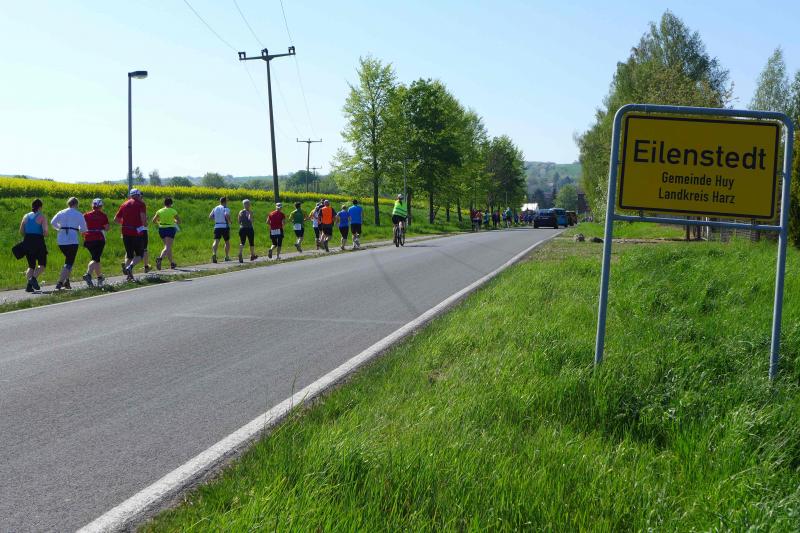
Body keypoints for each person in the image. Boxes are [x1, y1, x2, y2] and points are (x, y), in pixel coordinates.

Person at [50, 197, 87, 290]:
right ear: (76, 204)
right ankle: (60, 282)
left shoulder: (61, 212)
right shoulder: (78, 214)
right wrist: (78, 229)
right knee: (69, 262)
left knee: (68, 261)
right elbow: (83, 229)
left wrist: (59, 228)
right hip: (72, 240)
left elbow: (52, 222)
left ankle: (67, 281)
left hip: (61, 240)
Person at [115, 188, 147, 282]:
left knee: (129, 255)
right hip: (137, 232)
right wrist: (145, 224)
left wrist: (125, 223)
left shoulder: (124, 204)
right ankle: (130, 267)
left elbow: (116, 219)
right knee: (140, 254)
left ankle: (129, 275)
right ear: (138, 195)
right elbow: (143, 220)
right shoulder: (141, 204)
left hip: (125, 232)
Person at [19, 198, 48, 292]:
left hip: (27, 241)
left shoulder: (26, 216)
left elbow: (21, 231)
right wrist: (44, 234)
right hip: (38, 242)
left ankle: (29, 286)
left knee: (31, 266)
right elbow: (45, 232)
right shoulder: (42, 217)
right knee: (42, 265)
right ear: (40, 207)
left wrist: (28, 237)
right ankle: (33, 279)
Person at [82, 198, 109, 287]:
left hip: (88, 238)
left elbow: (81, 227)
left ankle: (99, 277)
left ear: (92, 206)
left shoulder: (86, 215)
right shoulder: (103, 215)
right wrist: (100, 227)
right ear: (101, 206)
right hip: (99, 239)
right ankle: (88, 274)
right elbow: (107, 228)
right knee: (95, 259)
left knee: (96, 259)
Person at [153, 197, 180, 270]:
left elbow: (154, 221)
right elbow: (179, 221)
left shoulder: (159, 211)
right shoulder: (173, 211)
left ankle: (172, 263)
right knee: (167, 247)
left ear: (164, 203)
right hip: (170, 229)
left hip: (161, 229)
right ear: (171, 203)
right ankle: (160, 258)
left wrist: (159, 223)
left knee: (168, 247)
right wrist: (174, 221)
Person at [209, 196, 231, 263]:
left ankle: (214, 254)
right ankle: (226, 256)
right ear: (225, 202)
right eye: (227, 201)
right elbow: (226, 215)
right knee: (227, 242)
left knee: (216, 241)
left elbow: (210, 216)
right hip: (224, 226)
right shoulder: (226, 208)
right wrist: (229, 221)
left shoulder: (215, 208)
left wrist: (216, 219)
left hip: (217, 226)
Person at [237, 199, 257, 263]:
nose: (249, 205)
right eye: (249, 204)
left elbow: (239, 221)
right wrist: (250, 216)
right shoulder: (250, 212)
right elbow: (251, 220)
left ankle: (240, 253)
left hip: (242, 228)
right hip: (249, 228)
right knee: (251, 242)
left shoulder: (240, 212)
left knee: (242, 242)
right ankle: (252, 255)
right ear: (247, 205)